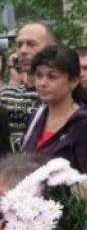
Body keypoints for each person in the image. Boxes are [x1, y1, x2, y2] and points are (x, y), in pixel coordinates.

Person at [21, 46, 87, 207]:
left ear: (74, 81)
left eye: (52, 77)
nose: (42, 83)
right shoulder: (37, 116)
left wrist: (60, 191)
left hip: (65, 218)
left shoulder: (85, 124)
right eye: (39, 76)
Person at [0, 22, 58, 151]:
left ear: (52, 48)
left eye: (31, 44)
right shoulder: (5, 95)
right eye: (19, 45)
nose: (23, 51)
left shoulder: (61, 98)